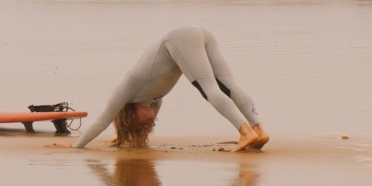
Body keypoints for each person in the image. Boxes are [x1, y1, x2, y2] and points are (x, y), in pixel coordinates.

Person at [74, 26, 268, 151]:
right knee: (229, 86)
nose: (146, 125)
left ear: (129, 114)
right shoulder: (154, 99)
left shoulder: (127, 88)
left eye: (138, 125)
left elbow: (101, 122)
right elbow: (140, 138)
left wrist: (77, 146)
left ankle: (245, 132)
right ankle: (259, 130)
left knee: (209, 88)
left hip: (177, 39)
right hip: (200, 34)